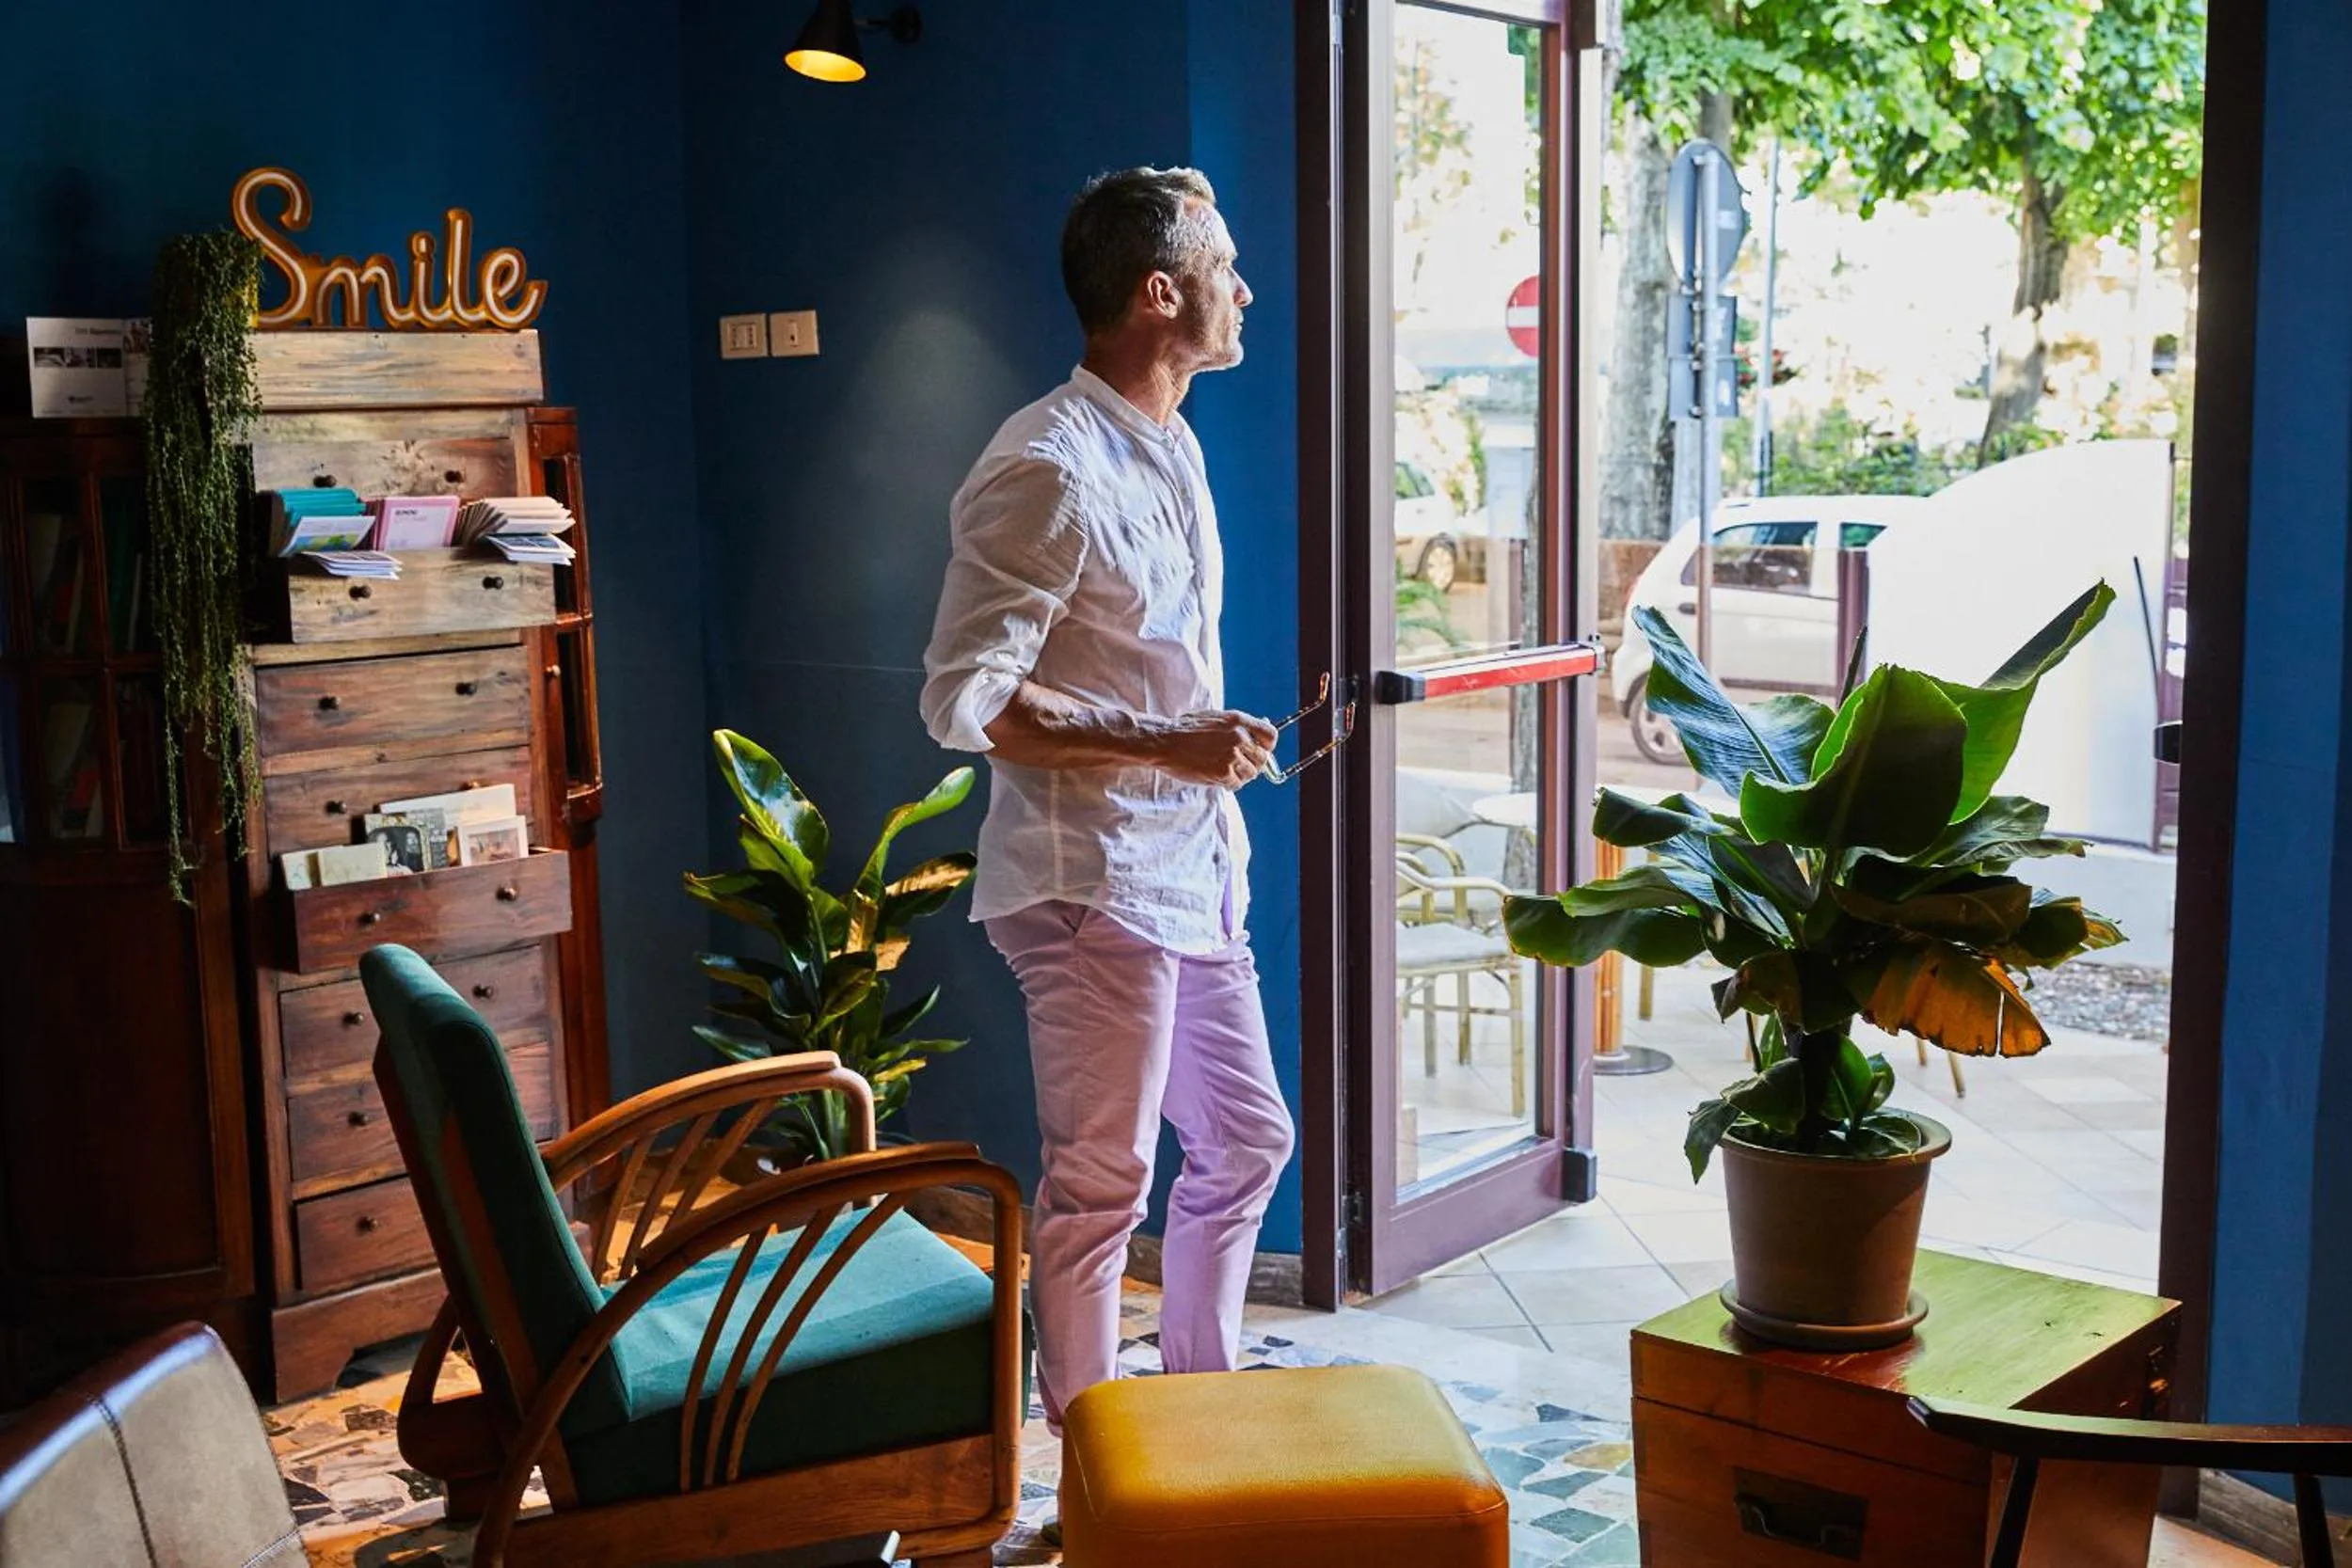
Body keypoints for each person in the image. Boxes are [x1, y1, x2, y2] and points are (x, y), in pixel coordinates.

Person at [919, 166, 1295, 1432]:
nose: (1243, 289)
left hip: (1193, 873)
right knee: (1099, 1187)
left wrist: (1195, 757)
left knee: (1247, 1140)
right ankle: (1095, 1468)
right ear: (1159, 291)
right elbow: (964, 700)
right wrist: (1167, 742)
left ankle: (1197, 1411)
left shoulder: (1175, 442)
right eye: (1223, 267)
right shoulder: (1046, 465)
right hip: (1089, 886)